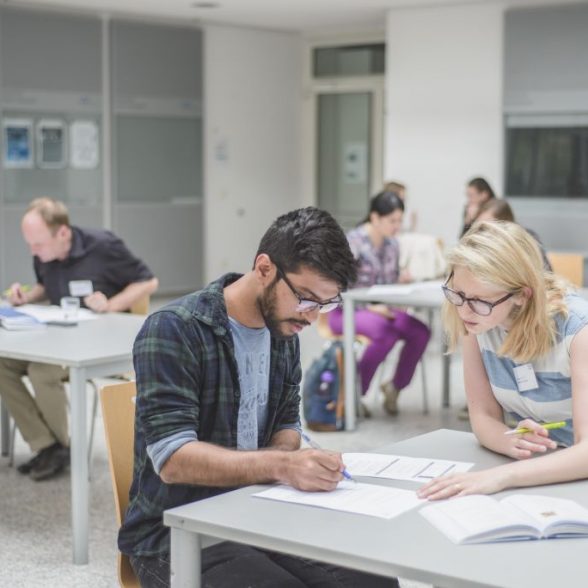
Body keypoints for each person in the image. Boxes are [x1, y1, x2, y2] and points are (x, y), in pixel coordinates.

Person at [119, 207, 398, 588]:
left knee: (375, 582)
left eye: (325, 304)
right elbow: (174, 460)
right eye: (305, 298)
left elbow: (286, 423)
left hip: (256, 510)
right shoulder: (175, 330)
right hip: (175, 533)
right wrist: (282, 467)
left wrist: (292, 461)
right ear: (264, 268)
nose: (312, 317)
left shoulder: (283, 332)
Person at [418, 221, 588, 501]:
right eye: (457, 294)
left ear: (522, 295)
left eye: (479, 300)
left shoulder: (578, 332)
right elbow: (483, 416)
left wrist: (503, 476)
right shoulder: (477, 321)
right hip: (549, 469)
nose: (463, 310)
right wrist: (510, 441)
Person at [0, 197, 158, 481]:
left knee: (40, 371)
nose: (33, 251)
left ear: (62, 233)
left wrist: (111, 304)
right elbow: (44, 287)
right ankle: (47, 445)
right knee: (3, 365)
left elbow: (147, 281)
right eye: (30, 245)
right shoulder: (44, 254)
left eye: (38, 244)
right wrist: (25, 298)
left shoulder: (103, 246)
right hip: (57, 339)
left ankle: (57, 448)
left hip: (96, 345)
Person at [328, 192, 431, 415]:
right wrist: (369, 307)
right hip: (345, 311)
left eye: (399, 221)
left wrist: (401, 280)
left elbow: (388, 284)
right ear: (374, 218)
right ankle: (356, 394)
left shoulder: (393, 245)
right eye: (392, 221)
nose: (397, 226)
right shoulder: (352, 242)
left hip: (384, 311)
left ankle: (394, 387)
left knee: (420, 332)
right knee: (385, 333)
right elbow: (334, 286)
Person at [475, 198, 552, 271]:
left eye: (488, 225)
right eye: (481, 226)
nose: (483, 231)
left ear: (503, 223)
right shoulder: (484, 243)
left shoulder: (527, 238)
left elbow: (546, 271)